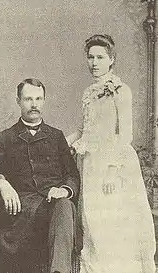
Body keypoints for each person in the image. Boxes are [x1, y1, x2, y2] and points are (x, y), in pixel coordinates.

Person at [66, 34, 156, 273]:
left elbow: (125, 135)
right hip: (90, 165)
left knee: (112, 227)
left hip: (113, 166)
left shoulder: (120, 90)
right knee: (92, 225)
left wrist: (112, 172)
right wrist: (60, 142)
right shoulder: (88, 92)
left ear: (111, 60)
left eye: (100, 57)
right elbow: (82, 130)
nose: (94, 63)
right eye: (90, 57)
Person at [0, 78, 80, 273]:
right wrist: (1, 183)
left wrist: (64, 190)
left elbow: (72, 175)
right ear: (18, 101)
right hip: (20, 217)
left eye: (39, 99)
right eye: (28, 99)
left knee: (65, 206)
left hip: (53, 211)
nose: (34, 104)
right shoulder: (6, 137)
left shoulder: (56, 136)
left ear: (44, 101)